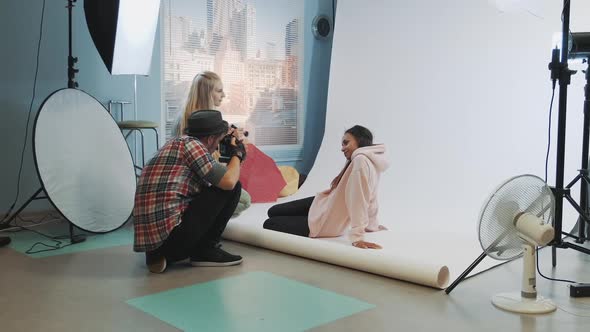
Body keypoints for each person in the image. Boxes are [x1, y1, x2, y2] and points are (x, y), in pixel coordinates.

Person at [133, 110, 247, 273]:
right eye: (218, 141)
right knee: (233, 188)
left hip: (151, 242)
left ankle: (158, 254)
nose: (217, 146)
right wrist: (238, 154)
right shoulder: (193, 145)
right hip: (175, 240)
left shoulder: (174, 144)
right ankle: (205, 251)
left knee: (209, 188)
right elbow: (228, 182)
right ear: (210, 138)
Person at [263, 125, 389, 249]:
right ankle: (308, 217)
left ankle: (310, 220)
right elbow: (371, 196)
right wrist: (372, 225)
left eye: (346, 143)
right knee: (273, 211)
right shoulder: (366, 160)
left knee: (270, 223)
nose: (342, 148)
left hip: (326, 222)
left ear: (360, 141)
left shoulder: (360, 161)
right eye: (342, 144)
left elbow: (358, 200)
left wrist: (358, 237)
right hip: (325, 204)